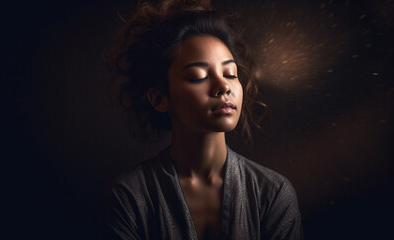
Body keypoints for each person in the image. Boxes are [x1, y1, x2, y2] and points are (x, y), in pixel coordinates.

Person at [103, 0, 303, 239]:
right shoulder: (129, 197)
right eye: (199, 76)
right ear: (159, 99)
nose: (223, 86)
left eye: (230, 73)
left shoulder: (273, 194)